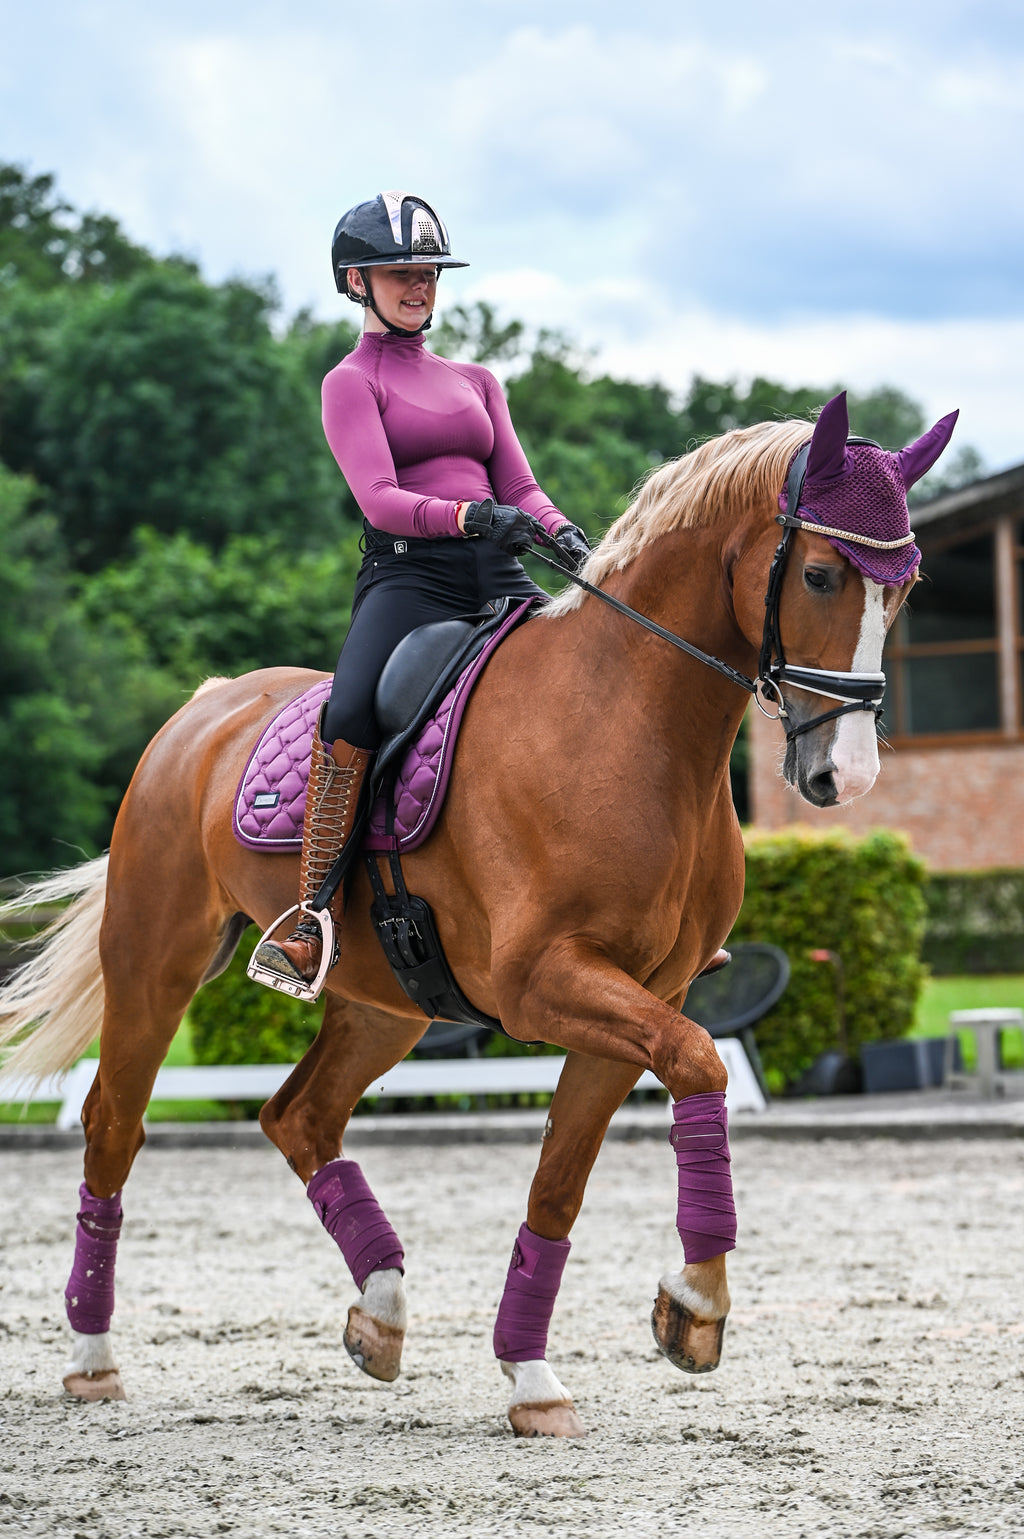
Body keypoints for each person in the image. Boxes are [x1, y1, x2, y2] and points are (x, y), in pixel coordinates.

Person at [252, 190, 590, 990]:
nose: (419, 285)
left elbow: (521, 486)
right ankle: (312, 919)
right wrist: (472, 515)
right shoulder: (349, 382)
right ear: (357, 282)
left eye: (429, 272)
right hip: (410, 578)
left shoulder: (477, 380)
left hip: (498, 572)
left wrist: (566, 535)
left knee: (595, 677)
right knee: (350, 710)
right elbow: (380, 499)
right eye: (400, 272)